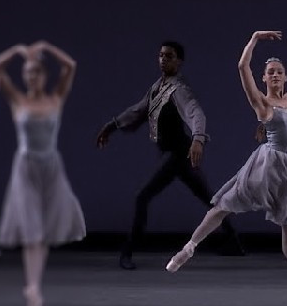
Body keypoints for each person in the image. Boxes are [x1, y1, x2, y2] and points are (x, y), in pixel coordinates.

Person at [165, 31, 287, 306]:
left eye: (279, 71)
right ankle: (189, 247)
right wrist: (254, 39)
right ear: (263, 79)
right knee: (225, 204)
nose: (275, 75)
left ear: (285, 77)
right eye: (270, 73)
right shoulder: (262, 104)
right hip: (269, 166)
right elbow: (242, 68)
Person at [96, 41, 244, 270]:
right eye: (161, 55)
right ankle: (234, 241)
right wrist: (111, 126)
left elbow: (195, 112)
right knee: (210, 198)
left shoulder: (179, 89)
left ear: (179, 61)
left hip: (177, 154)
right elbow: (138, 110)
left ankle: (128, 251)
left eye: (169, 56)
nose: (163, 59)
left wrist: (198, 138)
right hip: (176, 154)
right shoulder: (158, 87)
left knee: (141, 196)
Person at [0, 41, 87, 306]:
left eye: (36, 72)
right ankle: (32, 290)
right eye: (27, 72)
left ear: (44, 75)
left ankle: (34, 287)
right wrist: (18, 51)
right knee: (31, 229)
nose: (31, 77)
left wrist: (46, 46)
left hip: (51, 168)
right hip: (25, 167)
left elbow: (71, 66)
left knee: (43, 230)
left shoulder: (56, 96)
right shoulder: (16, 99)